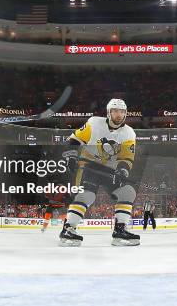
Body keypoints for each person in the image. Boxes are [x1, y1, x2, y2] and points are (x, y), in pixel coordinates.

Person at [59, 99, 139, 246]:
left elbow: (127, 158)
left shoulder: (129, 133)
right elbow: (74, 139)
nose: (119, 114)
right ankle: (68, 230)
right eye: (115, 111)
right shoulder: (94, 123)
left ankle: (119, 231)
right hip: (88, 165)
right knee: (86, 195)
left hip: (110, 169)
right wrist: (70, 156)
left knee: (127, 192)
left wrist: (122, 170)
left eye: (122, 111)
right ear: (109, 112)